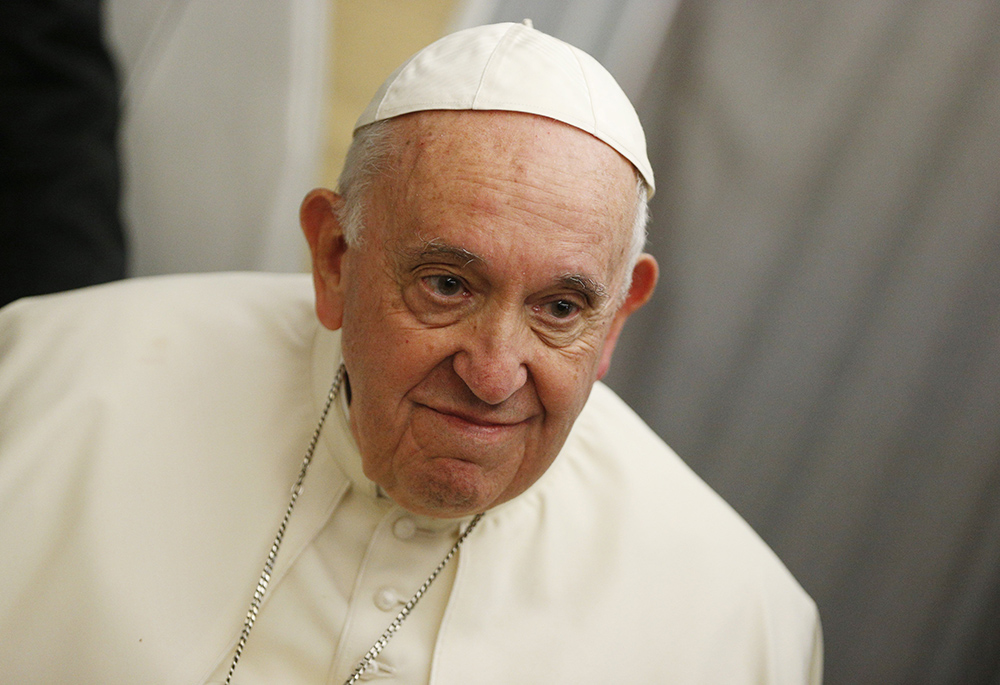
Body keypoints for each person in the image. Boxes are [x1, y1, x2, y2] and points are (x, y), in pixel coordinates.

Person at [0, 21, 822, 684]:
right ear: (335, 256)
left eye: (561, 307)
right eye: (447, 285)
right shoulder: (50, 382)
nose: (494, 373)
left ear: (615, 321)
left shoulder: (741, 627)